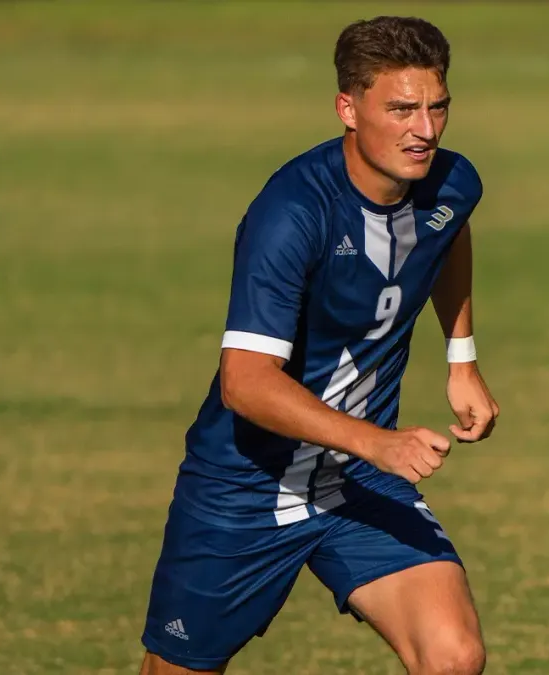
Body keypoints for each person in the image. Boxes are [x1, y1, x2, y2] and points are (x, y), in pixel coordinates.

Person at [139, 15, 499, 675]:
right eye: (401, 109)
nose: (424, 130)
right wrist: (378, 441)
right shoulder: (291, 215)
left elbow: (448, 232)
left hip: (353, 480)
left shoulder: (451, 183)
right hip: (245, 485)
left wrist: (461, 356)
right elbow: (245, 382)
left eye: (437, 107)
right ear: (348, 108)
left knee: (453, 655)